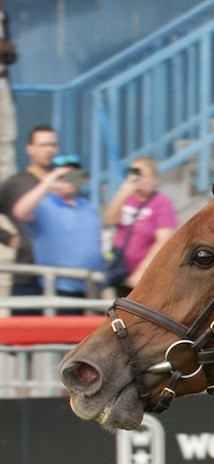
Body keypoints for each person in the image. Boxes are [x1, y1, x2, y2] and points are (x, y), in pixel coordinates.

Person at [10, 154, 104, 312]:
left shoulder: (87, 206)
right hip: (60, 289)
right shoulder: (44, 205)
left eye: (73, 175)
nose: (68, 180)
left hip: (90, 289)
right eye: (63, 176)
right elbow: (20, 211)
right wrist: (48, 182)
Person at [0, 125, 59, 308]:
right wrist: (8, 238)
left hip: (62, 276)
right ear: (30, 148)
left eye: (52, 145)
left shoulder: (65, 181)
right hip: (28, 274)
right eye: (43, 145)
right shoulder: (16, 183)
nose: (48, 149)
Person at [101, 156, 177, 296]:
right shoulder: (127, 199)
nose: (137, 179)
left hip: (145, 277)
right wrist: (123, 192)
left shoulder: (162, 202)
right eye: (134, 174)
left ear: (154, 178)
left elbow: (163, 240)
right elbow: (109, 220)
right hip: (122, 273)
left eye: (141, 175)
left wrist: (142, 272)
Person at [0, 2, 18, 182]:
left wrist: (9, 51)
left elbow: (9, 56)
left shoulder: (3, 15)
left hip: (2, 81)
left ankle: (6, 193)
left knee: (6, 139)